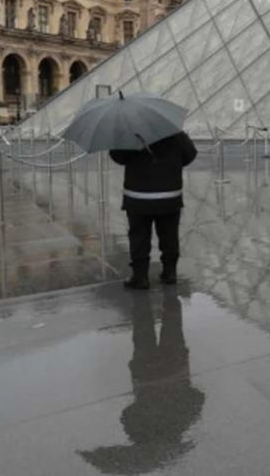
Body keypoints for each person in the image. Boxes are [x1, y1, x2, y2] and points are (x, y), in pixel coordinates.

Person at [78, 288, 205, 472]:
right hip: (146, 375)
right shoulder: (136, 431)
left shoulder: (185, 422)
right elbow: (127, 414)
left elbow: (198, 397)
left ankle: (167, 290)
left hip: (175, 368)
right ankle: (143, 297)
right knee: (143, 327)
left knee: (172, 322)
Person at [110, 131, 197, 289]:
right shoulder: (173, 131)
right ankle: (170, 272)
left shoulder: (130, 133)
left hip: (138, 196)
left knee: (139, 237)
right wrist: (171, 164)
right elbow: (190, 153)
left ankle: (140, 277)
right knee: (169, 234)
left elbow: (118, 157)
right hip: (169, 195)